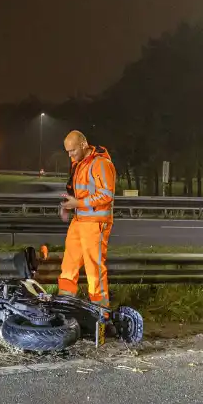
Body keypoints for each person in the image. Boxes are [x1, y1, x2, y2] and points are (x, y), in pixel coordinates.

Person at [58, 130, 116, 309]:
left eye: (73, 150)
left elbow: (106, 194)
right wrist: (68, 205)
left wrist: (78, 203)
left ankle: (100, 315)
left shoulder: (101, 163)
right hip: (80, 221)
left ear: (83, 145)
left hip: (95, 223)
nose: (70, 155)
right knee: (69, 266)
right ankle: (65, 307)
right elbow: (79, 190)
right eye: (67, 151)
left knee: (94, 271)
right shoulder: (80, 162)